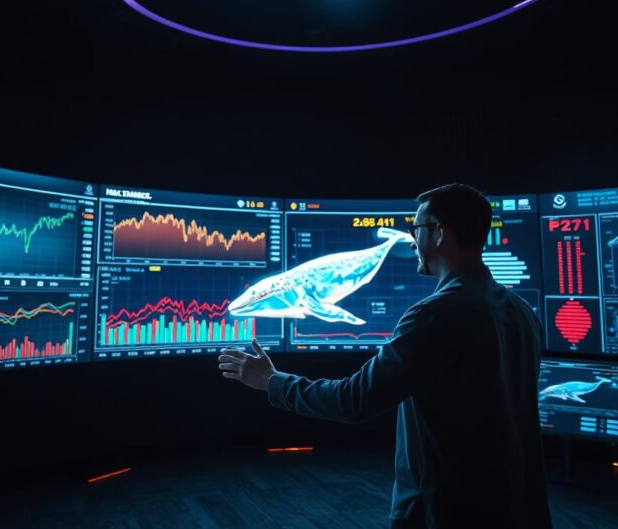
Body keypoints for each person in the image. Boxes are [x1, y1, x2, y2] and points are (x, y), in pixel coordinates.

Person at [218, 184, 551, 529]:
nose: (412, 239)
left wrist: (273, 382)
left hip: (447, 510)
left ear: (439, 233)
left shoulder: (435, 314)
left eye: (416, 229)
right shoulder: (522, 312)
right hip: (515, 507)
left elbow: (354, 400)